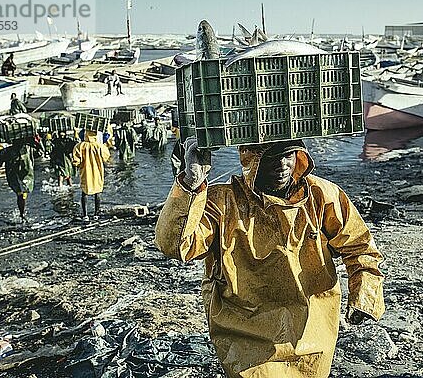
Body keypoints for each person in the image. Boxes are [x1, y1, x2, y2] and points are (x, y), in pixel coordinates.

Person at [155, 139, 385, 378]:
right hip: (244, 332)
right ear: (251, 161)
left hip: (311, 327)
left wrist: (365, 296)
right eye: (272, 157)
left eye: (288, 155)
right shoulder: (222, 202)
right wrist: (191, 184)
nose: (282, 165)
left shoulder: (322, 196)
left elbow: (360, 248)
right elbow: (175, 245)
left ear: (300, 157)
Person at [0, 136, 39, 222]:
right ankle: (22, 214)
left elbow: (40, 153)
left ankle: (22, 213)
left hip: (26, 176)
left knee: (23, 193)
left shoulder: (28, 149)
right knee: (21, 193)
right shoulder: (8, 151)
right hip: (15, 176)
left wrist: (37, 142)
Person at [72, 129, 111, 221]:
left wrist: (78, 164)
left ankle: (85, 215)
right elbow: (106, 156)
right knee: (97, 192)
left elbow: (75, 161)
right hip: (97, 170)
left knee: (84, 192)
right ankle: (96, 214)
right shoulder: (99, 146)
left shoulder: (80, 146)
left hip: (85, 171)